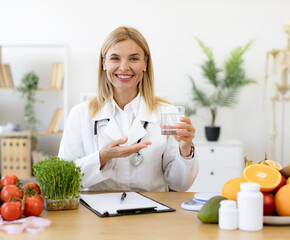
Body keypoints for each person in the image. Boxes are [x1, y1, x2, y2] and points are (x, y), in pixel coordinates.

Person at [58, 26, 198, 192]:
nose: (124, 67)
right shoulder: (80, 114)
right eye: (115, 58)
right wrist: (102, 158)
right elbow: (63, 180)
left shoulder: (167, 113)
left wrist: (185, 149)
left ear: (145, 63)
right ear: (104, 63)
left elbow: (180, 185)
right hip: (97, 215)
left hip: (152, 212)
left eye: (133, 59)